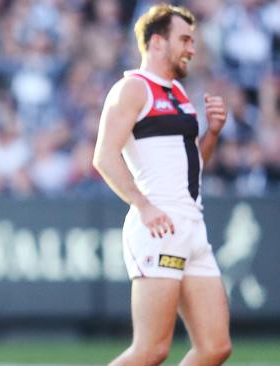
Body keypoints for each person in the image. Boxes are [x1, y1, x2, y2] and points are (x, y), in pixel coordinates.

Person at [93, 4, 231, 366]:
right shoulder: (132, 89)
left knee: (215, 347)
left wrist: (213, 133)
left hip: (192, 225)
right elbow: (104, 156)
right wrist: (144, 205)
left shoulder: (178, 94)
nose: (192, 48)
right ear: (157, 42)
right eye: (184, 39)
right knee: (151, 350)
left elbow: (192, 166)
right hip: (159, 228)